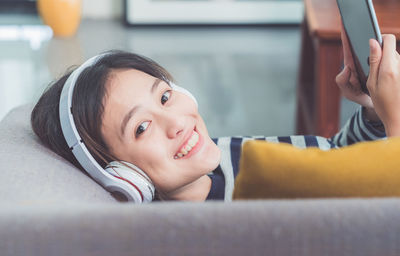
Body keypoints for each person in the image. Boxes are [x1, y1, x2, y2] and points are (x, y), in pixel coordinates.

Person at [31, 29, 400, 202]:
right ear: (123, 177)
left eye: (164, 97)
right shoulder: (255, 204)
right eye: (142, 128)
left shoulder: (221, 157)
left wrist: (372, 115)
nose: (176, 123)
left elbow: (334, 155)